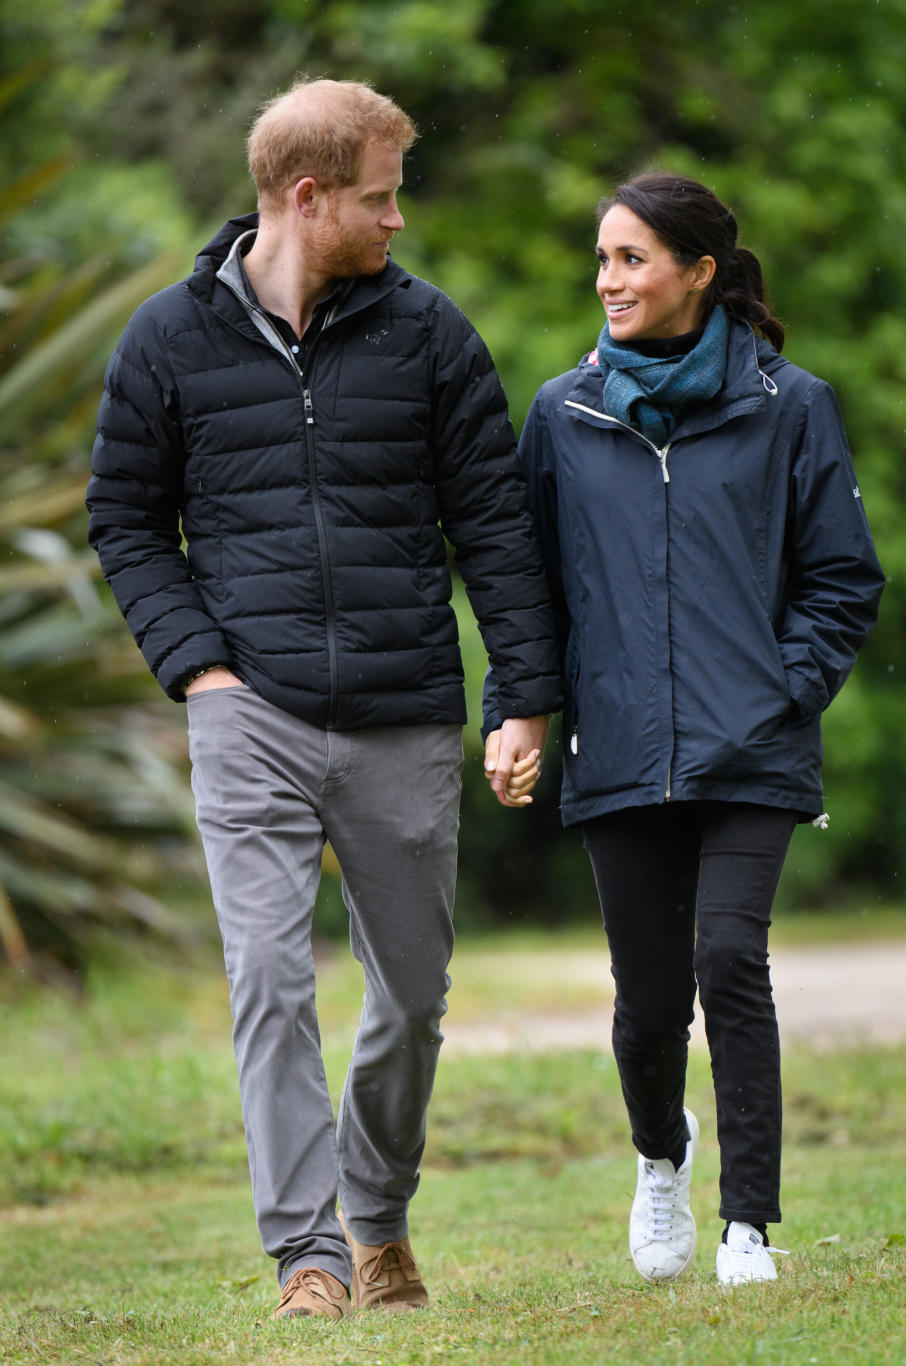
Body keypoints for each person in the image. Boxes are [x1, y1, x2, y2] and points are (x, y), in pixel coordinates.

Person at [87, 77, 561, 1321]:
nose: (398, 221)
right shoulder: (167, 340)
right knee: (269, 978)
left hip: (405, 709)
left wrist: (522, 692)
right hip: (249, 706)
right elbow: (125, 520)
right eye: (381, 196)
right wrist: (199, 662)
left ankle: (381, 1217)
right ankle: (306, 1251)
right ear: (310, 198)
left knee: (411, 991)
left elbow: (495, 529)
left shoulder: (432, 336)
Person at [483, 171, 884, 1287]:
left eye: (632, 259)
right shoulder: (564, 415)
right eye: (603, 259)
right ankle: (664, 1156)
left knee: (728, 960)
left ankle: (748, 1224)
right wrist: (518, 713)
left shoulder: (787, 403)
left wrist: (782, 689)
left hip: (750, 745)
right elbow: (529, 591)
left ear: (699, 273)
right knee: (650, 1003)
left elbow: (842, 578)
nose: (607, 279)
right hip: (615, 747)